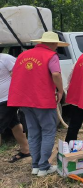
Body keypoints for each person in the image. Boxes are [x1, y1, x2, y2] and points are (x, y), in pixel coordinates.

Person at [8, 31, 68, 176]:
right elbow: (55, 74)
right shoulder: (51, 56)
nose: (56, 48)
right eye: (56, 46)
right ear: (53, 44)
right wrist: (60, 90)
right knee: (48, 131)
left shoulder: (23, 55)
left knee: (33, 132)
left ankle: (35, 165)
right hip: (42, 100)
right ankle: (44, 166)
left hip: (24, 100)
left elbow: (14, 74)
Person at [0, 52, 30, 162]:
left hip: (8, 99)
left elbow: (21, 72)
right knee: (14, 123)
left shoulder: (6, 59)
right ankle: (25, 150)